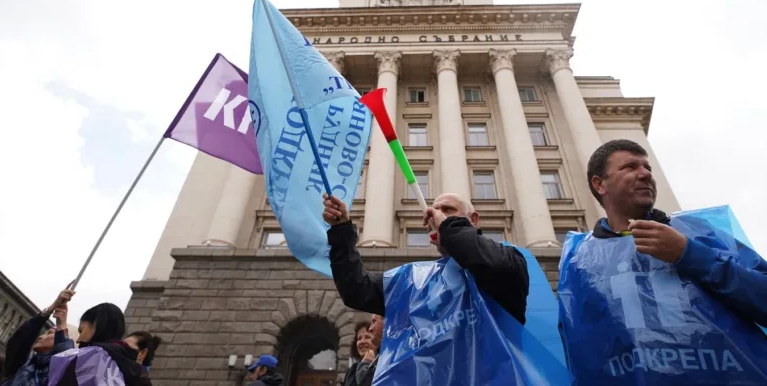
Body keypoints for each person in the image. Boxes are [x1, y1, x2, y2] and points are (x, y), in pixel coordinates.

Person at [559, 139, 767, 382]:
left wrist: (688, 253)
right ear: (599, 184)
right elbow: (579, 349)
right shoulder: (578, 259)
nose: (645, 174)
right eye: (630, 167)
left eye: (648, 167)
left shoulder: (699, 233)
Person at [323, 192, 530, 323]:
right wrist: (341, 231)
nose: (436, 215)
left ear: (473, 220)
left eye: (448, 210)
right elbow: (356, 290)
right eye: (434, 211)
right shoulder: (414, 281)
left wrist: (448, 228)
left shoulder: (508, 260)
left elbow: (488, 262)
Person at [54, 303, 151, 386]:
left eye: (81, 331)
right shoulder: (139, 373)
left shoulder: (92, 357)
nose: (78, 340)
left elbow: (62, 371)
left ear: (96, 324)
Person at [0, 285, 75, 385]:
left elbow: (65, 361)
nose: (40, 337)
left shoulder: (55, 376)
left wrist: (61, 325)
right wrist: (50, 309)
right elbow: (18, 341)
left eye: (50, 333)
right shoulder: (24, 365)